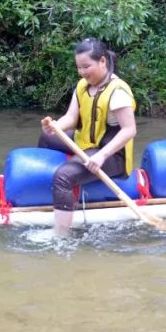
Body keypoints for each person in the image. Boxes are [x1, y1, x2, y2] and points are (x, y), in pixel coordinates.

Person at [39, 37, 137, 235]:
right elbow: (71, 117)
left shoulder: (118, 92)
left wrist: (101, 156)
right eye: (79, 68)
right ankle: (44, 194)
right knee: (47, 139)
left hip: (110, 154)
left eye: (86, 67)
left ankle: (61, 235)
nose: (82, 72)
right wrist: (55, 127)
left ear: (102, 61)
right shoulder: (82, 86)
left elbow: (129, 130)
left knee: (63, 177)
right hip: (84, 143)